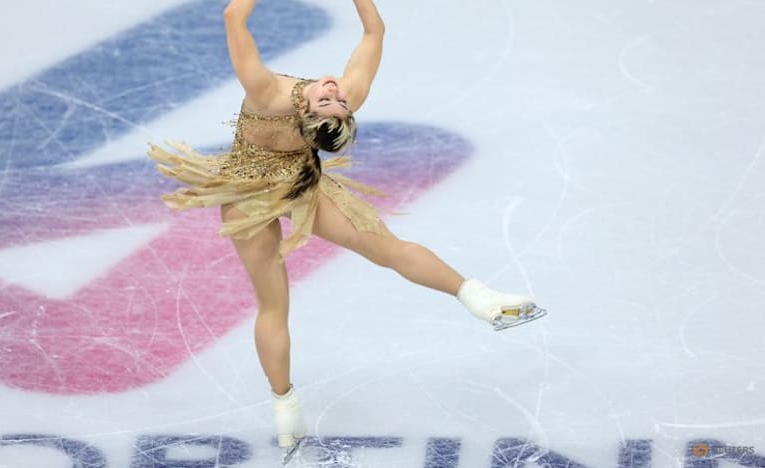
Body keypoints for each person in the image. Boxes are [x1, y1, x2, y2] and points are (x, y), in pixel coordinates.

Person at [149, 0, 546, 453]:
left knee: (310, 287)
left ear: (308, 116)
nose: (337, 92)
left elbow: (232, 16)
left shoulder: (265, 92)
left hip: (274, 188)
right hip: (273, 189)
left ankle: (479, 299)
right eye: (336, 101)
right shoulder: (328, 96)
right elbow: (374, 32)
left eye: (331, 100)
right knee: (284, 300)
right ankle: (287, 410)